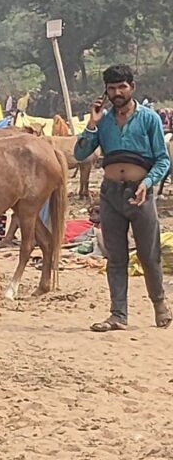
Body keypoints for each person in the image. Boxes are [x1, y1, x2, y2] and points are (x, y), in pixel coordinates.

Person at [75, 64, 171, 332]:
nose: (117, 93)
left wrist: (147, 183)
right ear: (105, 91)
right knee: (116, 258)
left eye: (122, 87)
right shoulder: (103, 122)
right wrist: (91, 125)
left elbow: (163, 160)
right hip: (111, 195)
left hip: (141, 194)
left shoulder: (149, 119)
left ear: (132, 87)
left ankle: (160, 305)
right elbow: (80, 154)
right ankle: (118, 315)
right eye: (112, 88)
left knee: (148, 255)